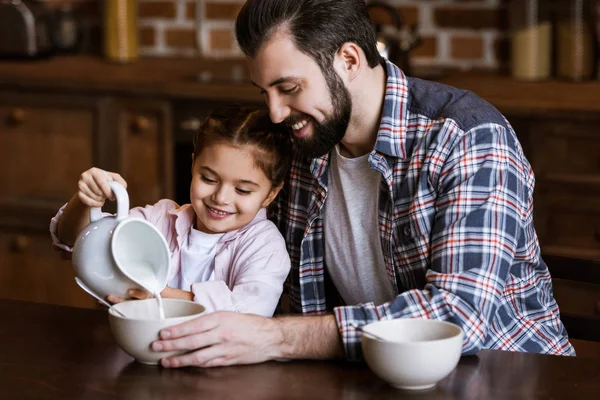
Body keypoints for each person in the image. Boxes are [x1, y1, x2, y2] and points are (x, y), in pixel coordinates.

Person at [140, 0, 573, 368]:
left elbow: (458, 318)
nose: (274, 113)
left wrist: (276, 337)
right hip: (366, 375)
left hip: (508, 375)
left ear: (348, 59)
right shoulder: (306, 144)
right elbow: (226, 240)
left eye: (288, 88)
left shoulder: (467, 139)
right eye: (264, 92)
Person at [50, 105, 292, 317]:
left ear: (271, 194)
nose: (221, 198)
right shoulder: (160, 218)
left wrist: (158, 295)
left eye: (242, 190)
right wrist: (86, 201)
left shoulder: (264, 246)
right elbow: (76, 239)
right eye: (208, 179)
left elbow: (246, 314)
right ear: (193, 165)